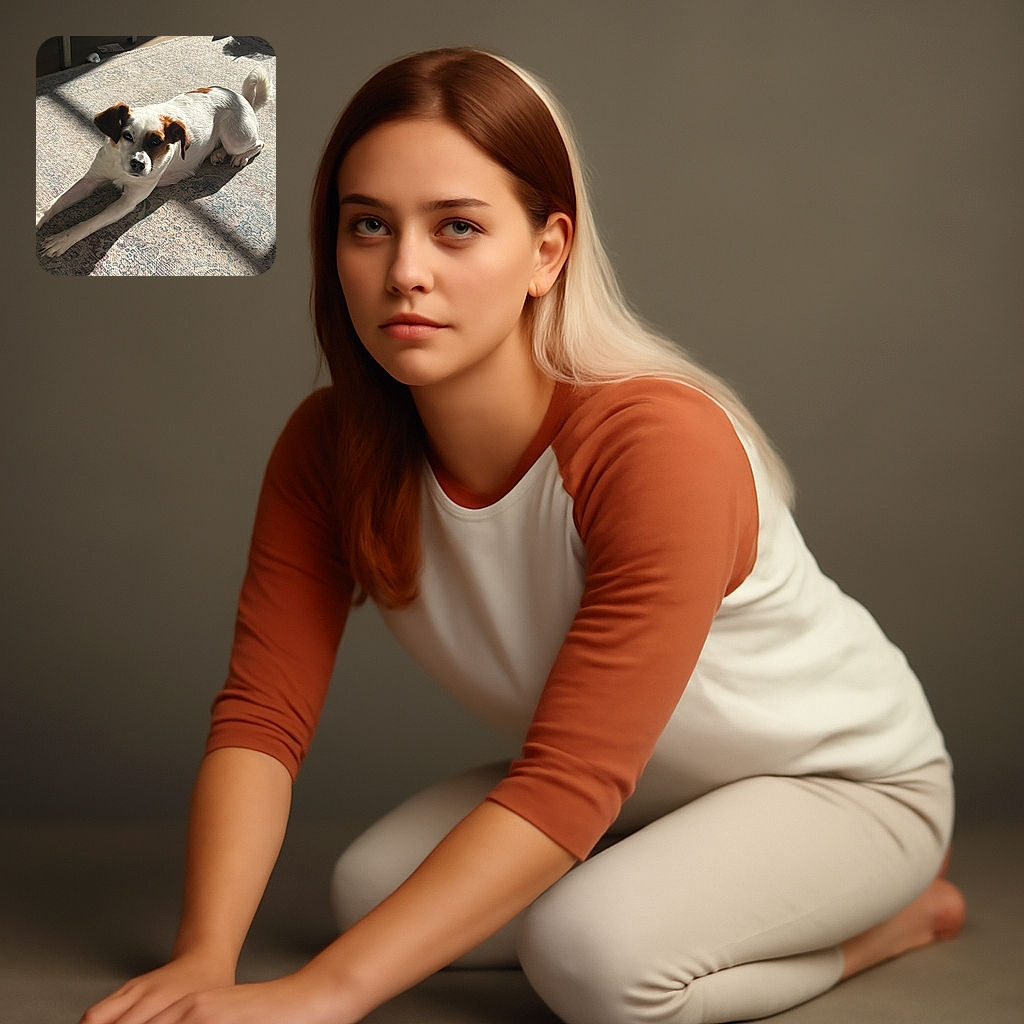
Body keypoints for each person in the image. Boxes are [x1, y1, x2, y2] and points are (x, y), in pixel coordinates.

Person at [81, 47, 966, 1024]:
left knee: (593, 962)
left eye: (456, 227)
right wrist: (206, 959)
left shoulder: (655, 444)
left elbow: (569, 777)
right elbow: (261, 717)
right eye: (368, 224)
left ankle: (881, 924)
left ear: (548, 251)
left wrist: (319, 997)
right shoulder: (326, 449)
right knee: (370, 893)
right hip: (649, 789)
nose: (405, 271)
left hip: (843, 786)